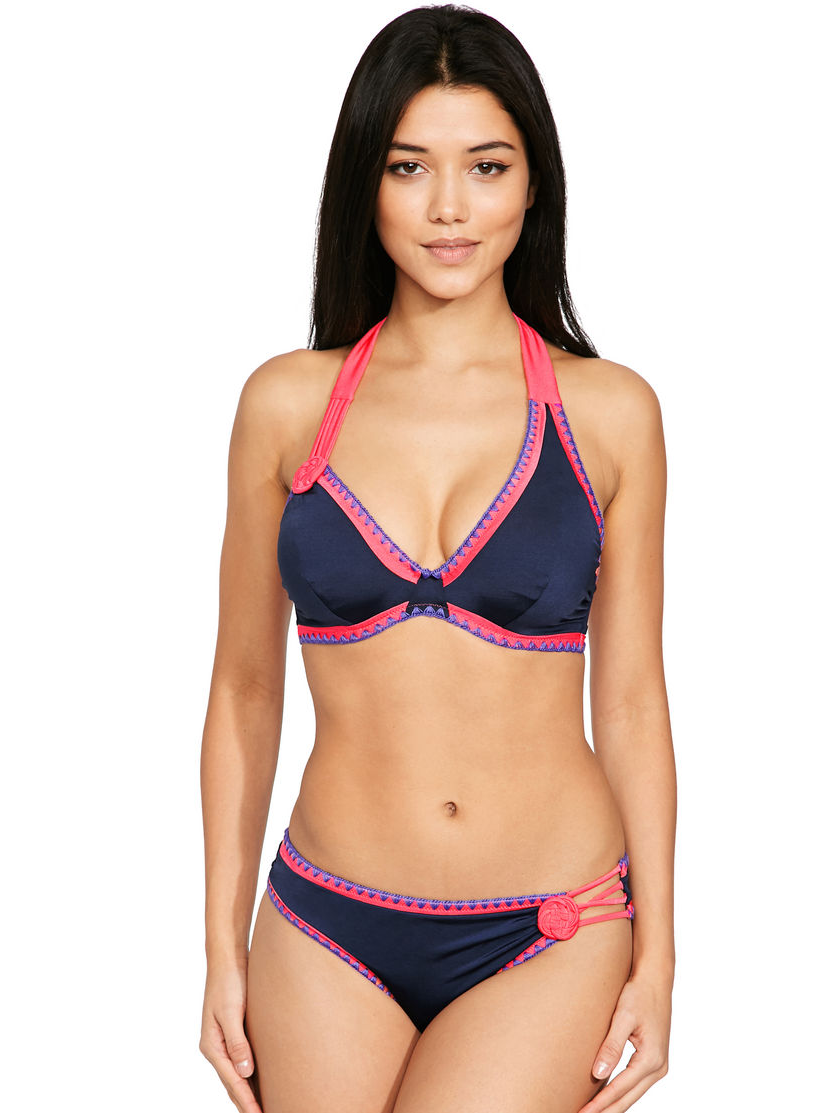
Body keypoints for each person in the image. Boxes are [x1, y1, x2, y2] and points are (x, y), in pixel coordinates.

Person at [199, 5, 675, 1112]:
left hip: (548, 932)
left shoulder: (611, 414)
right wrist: (222, 945)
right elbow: (242, 688)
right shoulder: (285, 405)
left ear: (534, 184)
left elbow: (634, 701)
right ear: (364, 183)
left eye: (487, 167)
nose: (449, 207)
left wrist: (660, 958)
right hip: (325, 924)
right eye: (409, 166)